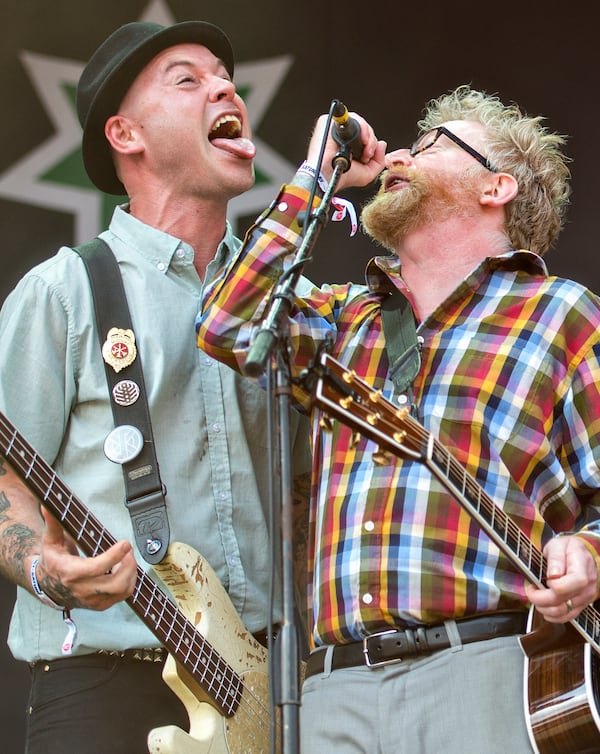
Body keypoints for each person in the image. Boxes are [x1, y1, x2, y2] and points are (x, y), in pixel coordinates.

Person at [197, 85, 600, 753]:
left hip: (484, 667)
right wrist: (316, 177)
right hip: (333, 686)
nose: (403, 153)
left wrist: (586, 553)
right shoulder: (341, 316)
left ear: (496, 187)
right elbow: (227, 324)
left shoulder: (562, 315)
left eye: (436, 145)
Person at [0, 20, 312, 754]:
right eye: (188, 78)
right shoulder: (64, 292)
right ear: (126, 135)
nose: (225, 86)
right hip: (106, 684)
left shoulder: (283, 306)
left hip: (271, 695)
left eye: (225, 76)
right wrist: (47, 569)